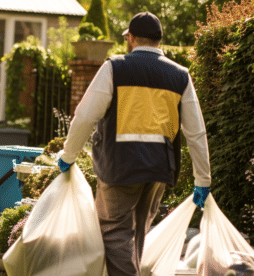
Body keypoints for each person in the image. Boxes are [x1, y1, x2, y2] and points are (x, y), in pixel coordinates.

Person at [58, 12, 211, 276]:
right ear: (160, 39)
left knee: (114, 231)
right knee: (138, 231)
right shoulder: (180, 75)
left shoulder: (115, 67)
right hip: (159, 169)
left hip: (119, 165)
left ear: (130, 38)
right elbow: (196, 132)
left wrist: (68, 154)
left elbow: (85, 116)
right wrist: (203, 179)